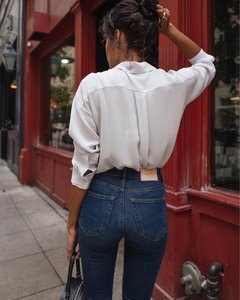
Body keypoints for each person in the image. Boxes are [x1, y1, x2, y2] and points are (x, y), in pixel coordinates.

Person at [66, 0, 216, 299]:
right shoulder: (170, 83)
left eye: (106, 41)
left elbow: (84, 165)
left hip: (100, 194)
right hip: (148, 192)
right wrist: (169, 29)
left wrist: (72, 225)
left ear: (117, 37)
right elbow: (206, 63)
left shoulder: (92, 86)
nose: (106, 48)